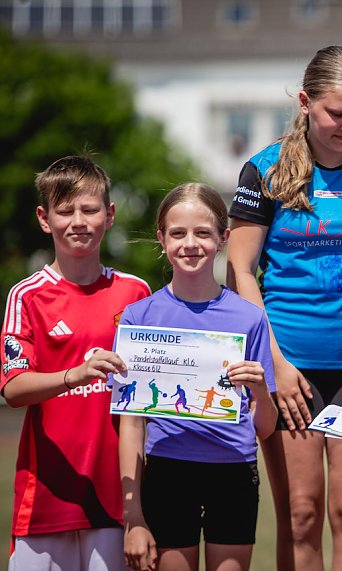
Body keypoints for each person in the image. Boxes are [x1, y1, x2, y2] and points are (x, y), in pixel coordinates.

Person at [226, 45, 342, 571]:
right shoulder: (265, 169)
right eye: (337, 113)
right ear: (306, 102)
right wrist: (276, 366)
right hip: (287, 365)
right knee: (301, 515)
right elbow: (240, 273)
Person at [0, 155, 150, 570]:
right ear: (44, 219)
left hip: (117, 495)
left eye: (89, 209)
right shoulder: (27, 295)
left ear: (110, 214)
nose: (78, 221)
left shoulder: (136, 293)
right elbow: (13, 389)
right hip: (47, 497)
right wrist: (74, 375)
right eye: (65, 211)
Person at [119, 182, 277, 571]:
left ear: (223, 238)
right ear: (162, 238)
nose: (191, 243)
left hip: (234, 471)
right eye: (178, 233)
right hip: (167, 470)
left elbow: (266, 427)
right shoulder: (138, 318)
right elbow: (131, 423)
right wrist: (133, 516)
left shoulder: (250, 317)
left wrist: (259, 389)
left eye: (203, 233)